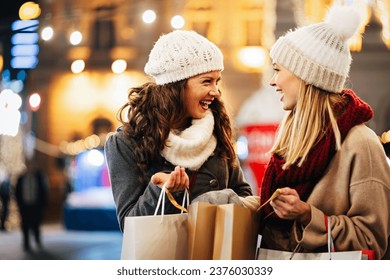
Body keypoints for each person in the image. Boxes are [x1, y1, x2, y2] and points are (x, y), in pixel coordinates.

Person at [259, 5, 390, 260]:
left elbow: (372, 240)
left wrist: (308, 215)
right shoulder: (292, 137)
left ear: (305, 75)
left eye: (277, 70)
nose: (272, 81)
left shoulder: (361, 144)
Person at [104, 30, 253, 231]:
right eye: (207, 81)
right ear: (177, 86)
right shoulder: (125, 142)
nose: (216, 92)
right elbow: (129, 225)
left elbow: (243, 194)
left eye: (217, 81)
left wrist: (214, 200)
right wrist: (162, 192)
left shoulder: (217, 130)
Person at [15, 159, 49, 251]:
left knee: (36, 223)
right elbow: (17, 191)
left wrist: (42, 204)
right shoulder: (21, 177)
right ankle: (26, 243)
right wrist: (19, 203)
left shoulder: (38, 177)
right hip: (25, 205)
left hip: (35, 205)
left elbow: (43, 191)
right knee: (25, 224)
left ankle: (37, 239)